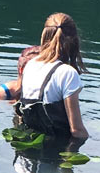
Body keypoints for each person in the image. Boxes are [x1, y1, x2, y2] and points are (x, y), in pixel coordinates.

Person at [17, 12, 88, 144]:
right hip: (55, 155)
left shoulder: (30, 64)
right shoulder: (67, 73)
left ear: (44, 36)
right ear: (74, 40)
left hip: (24, 156)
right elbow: (77, 131)